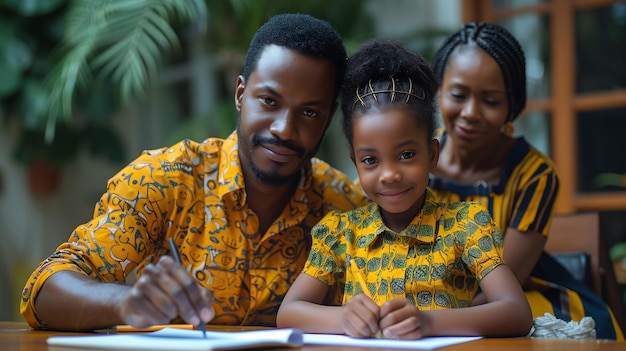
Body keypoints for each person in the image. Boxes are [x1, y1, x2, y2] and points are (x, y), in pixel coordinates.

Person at [20, 13, 368, 331]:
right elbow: (43, 289)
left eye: (309, 113)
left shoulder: (343, 208)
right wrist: (124, 303)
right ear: (240, 94)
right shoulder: (163, 180)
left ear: (329, 117)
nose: (284, 129)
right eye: (269, 101)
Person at [276, 38, 532, 339]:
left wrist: (430, 323)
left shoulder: (466, 226)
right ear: (356, 163)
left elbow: (517, 312)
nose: (389, 175)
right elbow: (289, 313)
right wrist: (343, 318)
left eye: (406, 155)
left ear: (432, 154)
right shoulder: (340, 233)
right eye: (370, 160)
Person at [428, 22, 623, 340]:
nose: (471, 112)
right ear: (438, 89)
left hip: (514, 298)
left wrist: (430, 322)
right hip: (427, 298)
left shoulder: (534, 174)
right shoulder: (413, 158)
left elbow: (506, 282)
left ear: (512, 106)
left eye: (491, 101)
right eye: (458, 94)